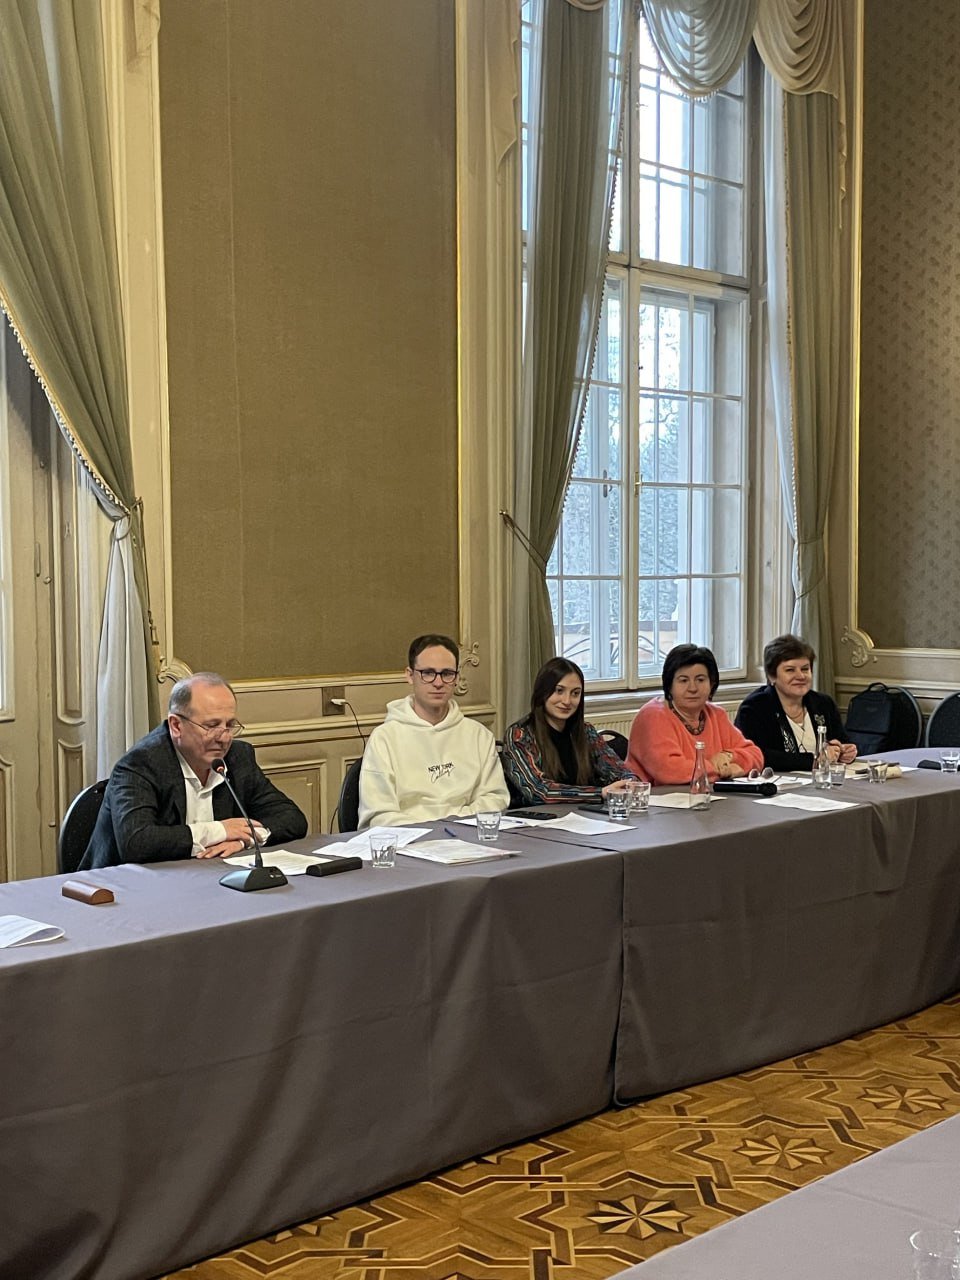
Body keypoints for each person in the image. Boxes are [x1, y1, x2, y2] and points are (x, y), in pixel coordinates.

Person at [79, 672, 308, 868]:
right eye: (211, 726)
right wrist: (220, 831)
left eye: (230, 725)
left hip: (208, 878)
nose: (224, 738)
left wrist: (244, 839)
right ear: (176, 725)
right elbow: (137, 843)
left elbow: (292, 819)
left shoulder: (238, 757)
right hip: (121, 891)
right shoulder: (140, 764)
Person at [358, 634, 509, 827]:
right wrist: (431, 830)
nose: (438, 683)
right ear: (410, 675)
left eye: (447, 673)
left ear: (456, 678)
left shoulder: (479, 736)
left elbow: (495, 798)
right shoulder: (384, 738)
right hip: (410, 840)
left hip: (468, 835)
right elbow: (379, 814)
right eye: (428, 673)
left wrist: (454, 825)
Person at [502, 657, 636, 804]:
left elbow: (619, 770)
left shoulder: (586, 732)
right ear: (542, 692)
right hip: (538, 816)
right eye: (559, 691)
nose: (567, 701)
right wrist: (599, 793)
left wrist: (629, 782)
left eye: (575, 693)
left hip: (585, 814)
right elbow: (538, 792)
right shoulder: (519, 735)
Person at [627, 643, 763, 785]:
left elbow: (756, 755)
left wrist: (728, 756)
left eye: (700, 680)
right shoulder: (653, 716)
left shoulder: (716, 714)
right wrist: (721, 770)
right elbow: (670, 771)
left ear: (712, 684)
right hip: (655, 797)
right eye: (683, 680)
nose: (692, 688)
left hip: (708, 795)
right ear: (669, 685)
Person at [734, 634, 858, 772]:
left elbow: (841, 741)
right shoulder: (754, 708)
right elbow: (757, 755)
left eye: (805, 669)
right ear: (772, 676)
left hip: (823, 780)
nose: (800, 676)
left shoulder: (823, 703)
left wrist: (845, 751)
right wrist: (814, 760)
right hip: (777, 783)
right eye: (790, 670)